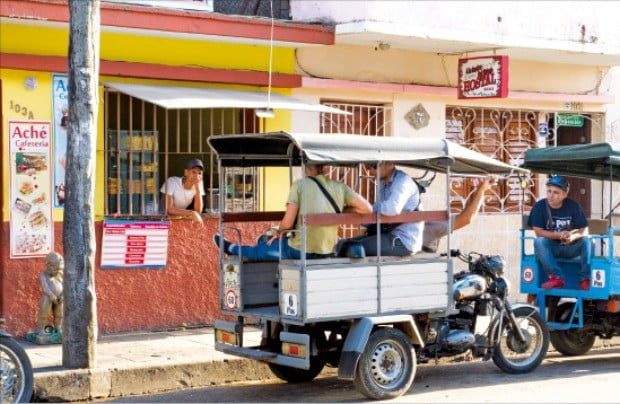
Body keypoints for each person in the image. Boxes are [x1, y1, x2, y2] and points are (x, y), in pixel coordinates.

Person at [213, 163, 372, 261]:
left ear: (304, 168)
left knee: (261, 249)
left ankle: (231, 248)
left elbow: (287, 223)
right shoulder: (340, 187)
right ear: (323, 168)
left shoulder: (299, 186)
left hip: (300, 250)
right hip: (327, 250)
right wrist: (337, 212)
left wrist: (278, 233)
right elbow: (367, 208)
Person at [338, 162, 422, 256]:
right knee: (342, 244)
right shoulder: (383, 183)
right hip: (386, 234)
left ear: (390, 163)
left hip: (402, 241)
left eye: (373, 164)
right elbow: (377, 214)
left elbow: (392, 208)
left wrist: (363, 209)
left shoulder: (403, 181)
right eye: (367, 166)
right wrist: (357, 215)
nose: (370, 170)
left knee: (351, 249)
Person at [527, 175, 591, 290]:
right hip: (551, 248)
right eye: (549, 191)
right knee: (539, 242)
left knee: (587, 241)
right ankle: (556, 277)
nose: (551, 196)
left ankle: (584, 279)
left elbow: (584, 229)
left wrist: (573, 237)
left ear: (564, 195)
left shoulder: (573, 206)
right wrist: (558, 235)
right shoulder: (539, 207)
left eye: (556, 193)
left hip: (571, 248)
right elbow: (538, 232)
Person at [422, 177, 494, 253]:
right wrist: (481, 190)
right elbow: (466, 218)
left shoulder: (421, 223)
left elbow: (466, 215)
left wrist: (478, 190)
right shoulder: (429, 227)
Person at [35, 252, 64, 336]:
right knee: (44, 314)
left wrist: (63, 296)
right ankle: (40, 329)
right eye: (55, 269)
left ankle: (58, 328)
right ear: (48, 265)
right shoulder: (43, 275)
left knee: (60, 315)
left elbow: (65, 285)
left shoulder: (61, 275)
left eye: (59, 269)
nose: (57, 271)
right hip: (48, 297)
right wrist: (51, 295)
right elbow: (45, 287)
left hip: (59, 298)